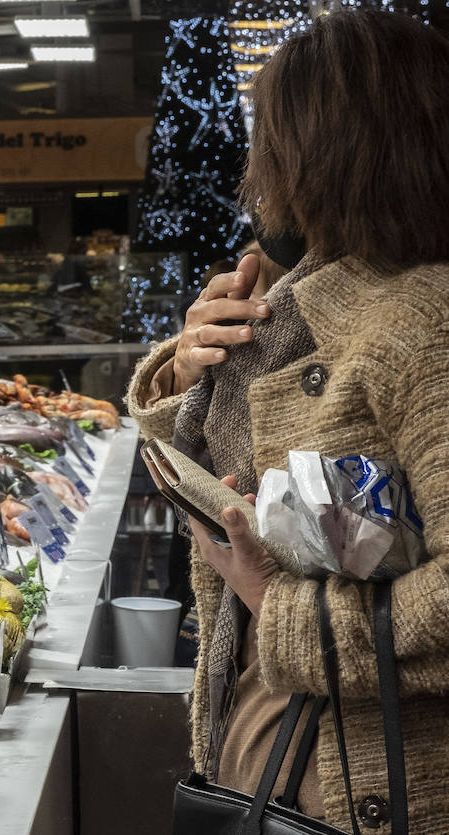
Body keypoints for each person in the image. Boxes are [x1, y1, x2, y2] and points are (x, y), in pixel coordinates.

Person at [127, 12, 449, 827]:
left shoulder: (427, 321)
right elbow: (233, 494)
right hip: (266, 751)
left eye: (272, 138)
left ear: (337, 147)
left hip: (364, 782)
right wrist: (190, 368)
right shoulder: (302, 288)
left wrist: (282, 607)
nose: (258, 169)